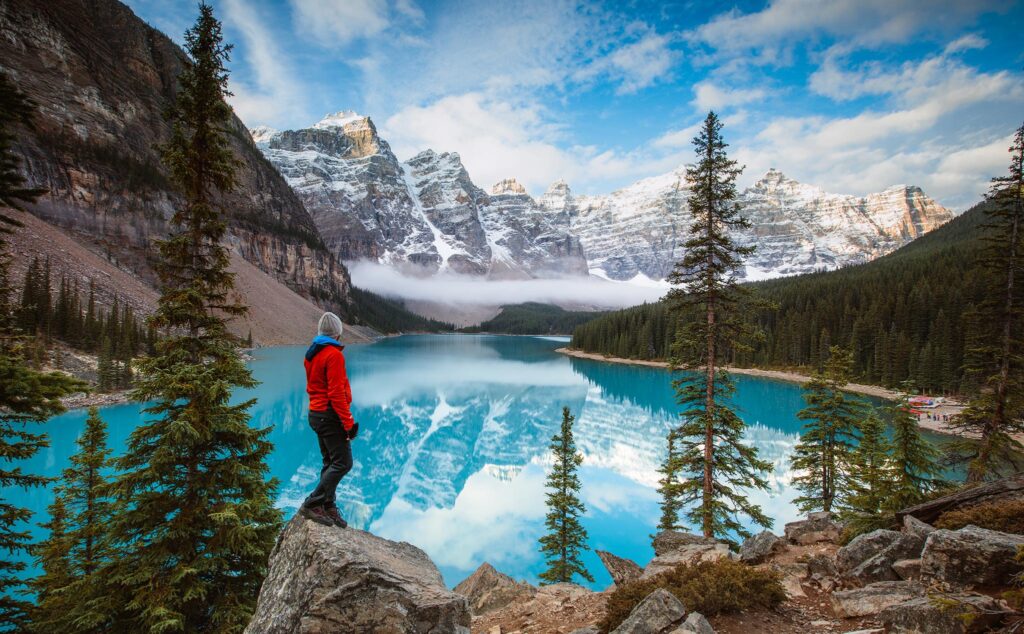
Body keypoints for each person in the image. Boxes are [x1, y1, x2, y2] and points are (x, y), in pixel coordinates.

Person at [299, 312, 358, 528]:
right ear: (337, 332)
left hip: (316, 414)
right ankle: (314, 502)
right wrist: (348, 424)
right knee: (343, 462)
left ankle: (327, 505)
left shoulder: (312, 353)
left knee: (330, 461)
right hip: (329, 415)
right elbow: (335, 394)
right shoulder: (333, 355)